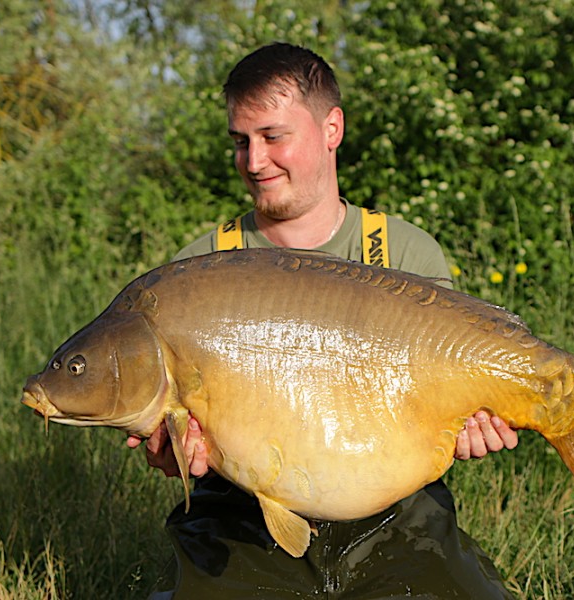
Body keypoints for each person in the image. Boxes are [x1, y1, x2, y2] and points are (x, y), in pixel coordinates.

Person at [131, 42, 519, 598]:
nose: (254, 161)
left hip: (394, 519)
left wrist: (475, 425)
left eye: (272, 136)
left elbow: (444, 405)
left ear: (331, 128)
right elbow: (175, 444)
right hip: (243, 522)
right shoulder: (199, 271)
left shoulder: (405, 252)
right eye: (240, 142)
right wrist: (173, 454)